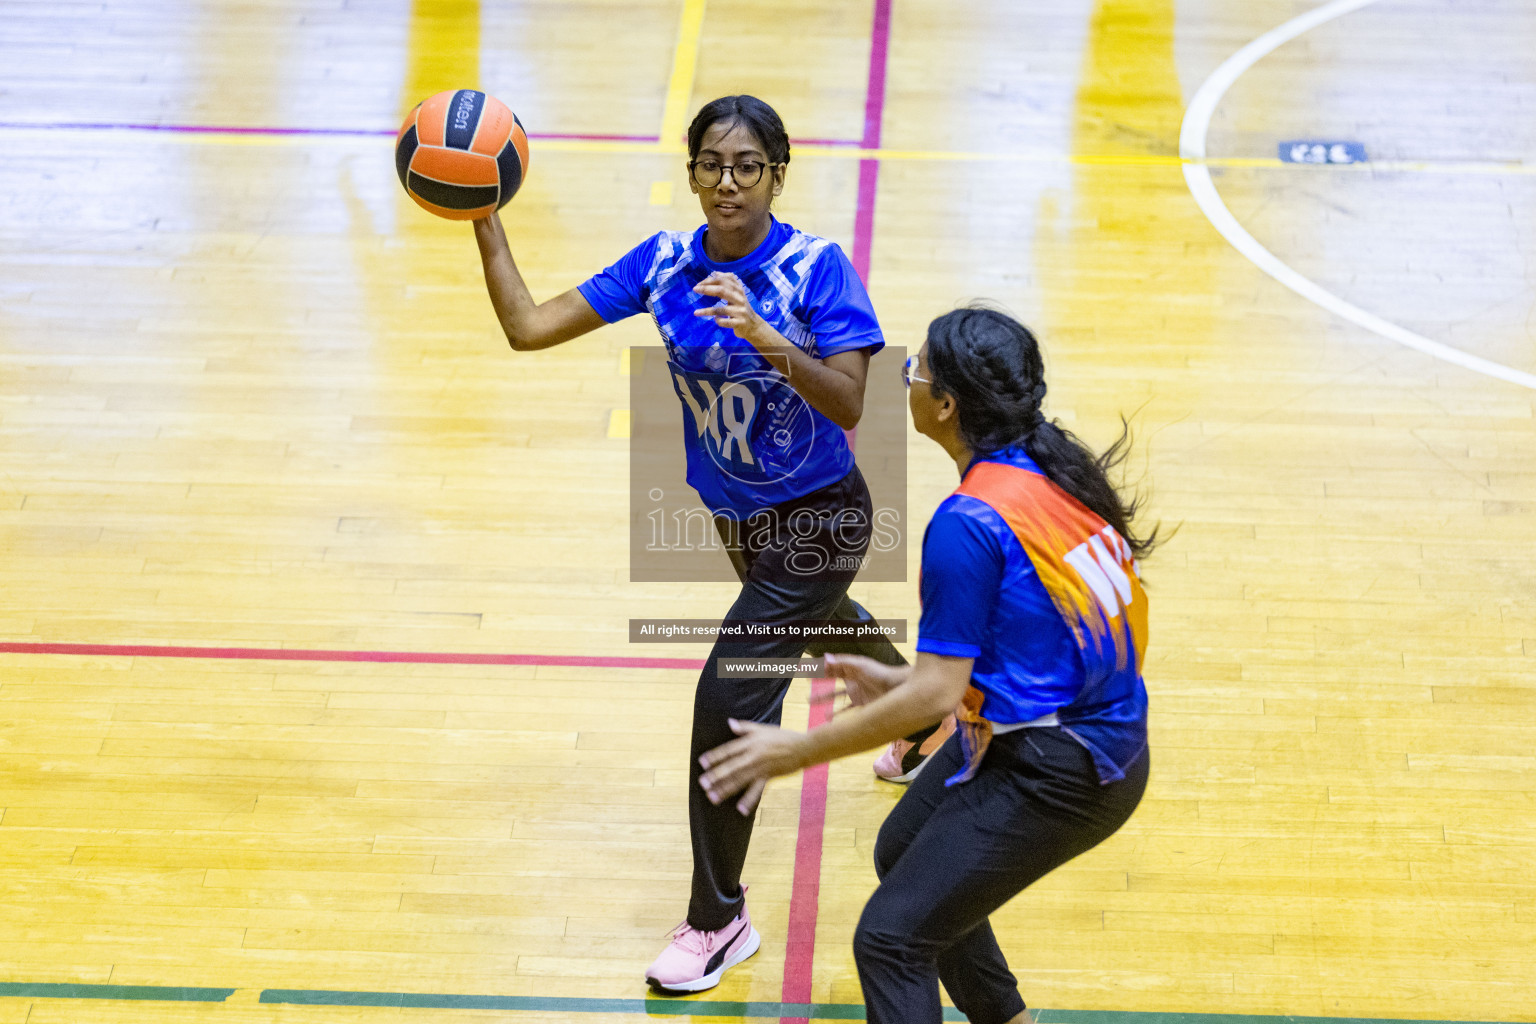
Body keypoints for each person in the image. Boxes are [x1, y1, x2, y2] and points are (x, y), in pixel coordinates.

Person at [471, 94, 936, 993]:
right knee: (828, 623)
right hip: (737, 518)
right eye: (710, 165)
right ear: (690, 173)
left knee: (728, 695)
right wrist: (483, 217)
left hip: (823, 516)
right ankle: (923, 714)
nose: (727, 183)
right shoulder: (666, 264)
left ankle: (718, 920)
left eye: (747, 166)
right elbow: (529, 327)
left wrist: (764, 337)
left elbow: (848, 403)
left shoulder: (815, 269)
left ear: (777, 174)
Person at [697, 306, 1159, 1024]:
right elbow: (1025, 643)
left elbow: (934, 698)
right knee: (904, 848)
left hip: (1067, 765)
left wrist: (796, 749)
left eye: (916, 373)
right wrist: (902, 682)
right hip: (1085, 728)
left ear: (944, 406)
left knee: (890, 942)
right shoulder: (1050, 465)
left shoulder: (967, 523)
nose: (905, 381)